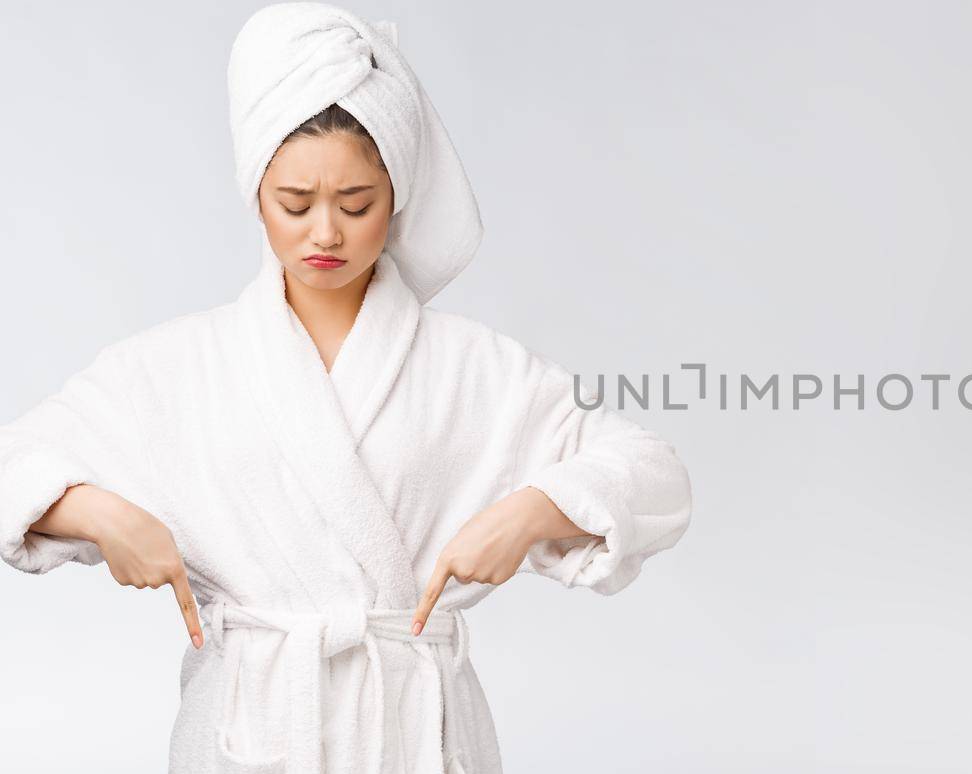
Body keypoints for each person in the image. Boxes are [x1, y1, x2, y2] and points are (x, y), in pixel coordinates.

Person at [0, 4, 693, 773]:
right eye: (294, 204)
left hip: (417, 737)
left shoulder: (473, 368)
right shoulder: (179, 366)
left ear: (396, 198)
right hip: (250, 733)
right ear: (255, 193)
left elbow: (656, 476)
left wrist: (535, 511)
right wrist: (94, 511)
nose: (324, 233)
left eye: (355, 204)